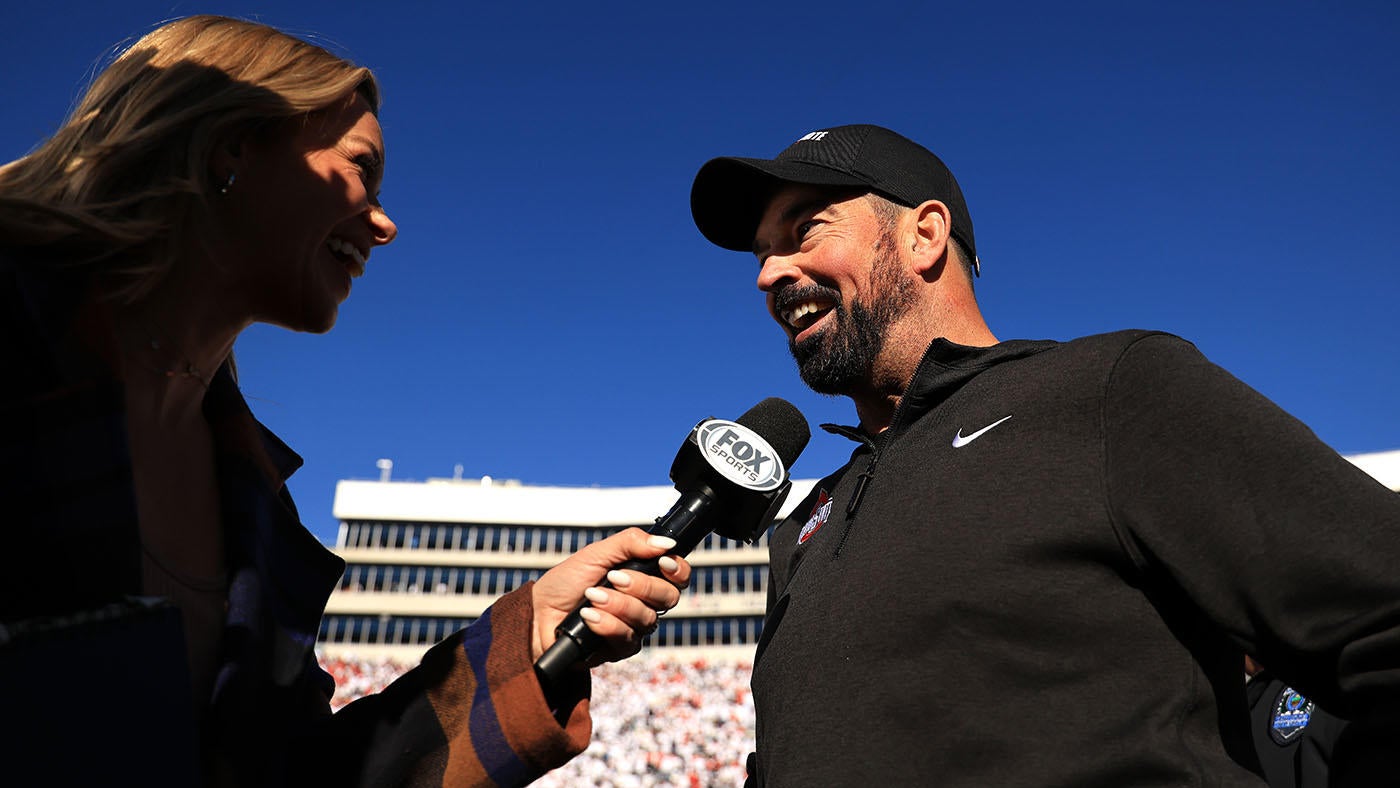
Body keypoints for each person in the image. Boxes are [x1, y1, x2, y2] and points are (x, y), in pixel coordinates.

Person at [0, 15, 688, 787]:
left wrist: (525, 644)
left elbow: (306, 777)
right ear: (232, 146)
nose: (386, 225)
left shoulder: (256, 504)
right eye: (362, 168)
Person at [688, 124, 1400, 786]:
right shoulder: (804, 526)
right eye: (761, 255)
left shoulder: (1110, 391)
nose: (769, 274)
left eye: (803, 231)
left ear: (924, 235)